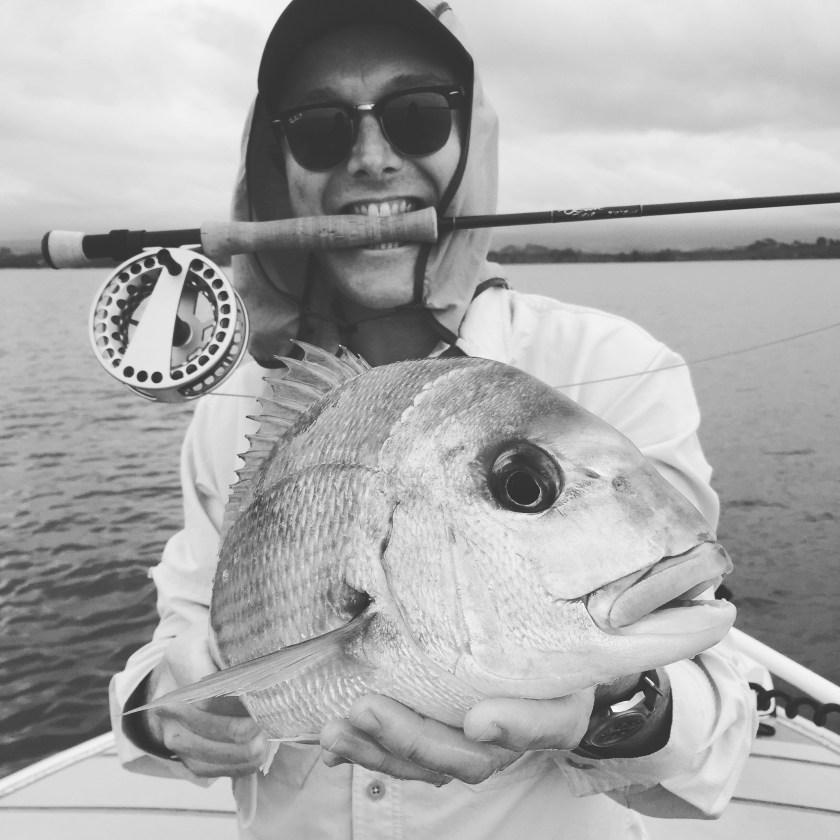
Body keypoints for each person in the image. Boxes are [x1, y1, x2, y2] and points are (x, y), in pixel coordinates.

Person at [109, 0, 758, 836]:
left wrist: (612, 708)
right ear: (275, 173)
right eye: (318, 129)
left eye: (417, 115)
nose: (372, 158)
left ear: (468, 147)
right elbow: (175, 648)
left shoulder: (614, 365)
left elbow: (718, 724)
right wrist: (167, 709)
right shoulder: (234, 411)